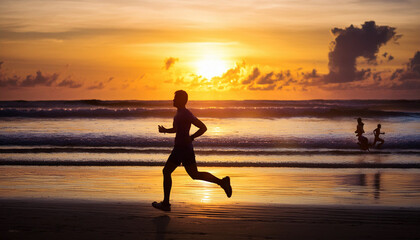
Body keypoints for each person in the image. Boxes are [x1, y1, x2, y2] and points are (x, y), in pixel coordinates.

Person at [152, 90, 232, 211]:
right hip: (183, 148)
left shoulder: (186, 114)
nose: (173, 100)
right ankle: (222, 182)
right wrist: (165, 130)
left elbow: (203, 127)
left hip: (181, 148)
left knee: (166, 171)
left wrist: (191, 137)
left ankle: (166, 204)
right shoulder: (179, 113)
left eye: (175, 98)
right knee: (194, 174)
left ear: (181, 100)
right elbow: (176, 129)